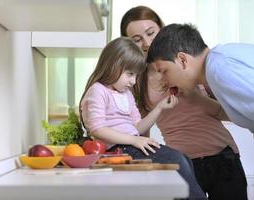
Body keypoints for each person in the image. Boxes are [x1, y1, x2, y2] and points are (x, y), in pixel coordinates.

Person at [121, 6, 247, 200]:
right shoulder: (134, 81)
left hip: (223, 157)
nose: (147, 43)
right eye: (137, 40)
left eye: (151, 33)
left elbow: (228, 113)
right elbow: (140, 131)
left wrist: (197, 98)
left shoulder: (197, 65)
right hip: (182, 164)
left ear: (161, 29)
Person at [79, 37, 207, 200]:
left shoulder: (126, 94)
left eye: (136, 76)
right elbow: (97, 129)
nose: (133, 82)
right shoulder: (98, 91)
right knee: (177, 160)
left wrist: (159, 107)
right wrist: (133, 140)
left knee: (184, 159)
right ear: (113, 66)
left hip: (131, 144)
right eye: (130, 74)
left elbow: (137, 127)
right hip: (116, 150)